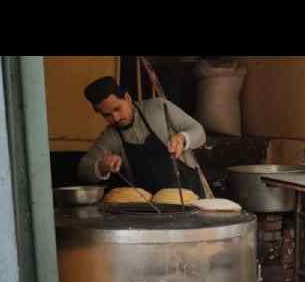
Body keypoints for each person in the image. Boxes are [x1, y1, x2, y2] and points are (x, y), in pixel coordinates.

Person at [77, 77, 208, 197]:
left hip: (190, 194)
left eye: (117, 109)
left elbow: (199, 131)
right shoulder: (111, 136)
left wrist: (182, 138)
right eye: (107, 115)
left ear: (127, 98)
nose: (115, 118)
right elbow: (83, 169)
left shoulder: (159, 107)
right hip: (151, 208)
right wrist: (102, 166)